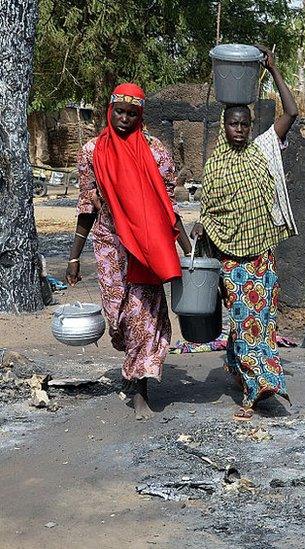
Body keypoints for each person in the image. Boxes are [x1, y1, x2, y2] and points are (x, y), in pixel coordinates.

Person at [68, 83, 192, 420]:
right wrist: (74, 257)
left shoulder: (155, 152)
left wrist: (187, 248)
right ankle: (132, 360)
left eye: (132, 113)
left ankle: (140, 391)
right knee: (118, 317)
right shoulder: (92, 152)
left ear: (140, 115)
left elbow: (168, 205)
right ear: (110, 111)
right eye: (120, 112)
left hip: (147, 247)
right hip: (109, 244)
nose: (124, 118)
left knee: (142, 317)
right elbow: (85, 207)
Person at [192, 45, 299, 421]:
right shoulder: (215, 164)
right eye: (233, 124)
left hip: (261, 255)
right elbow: (210, 209)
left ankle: (250, 381)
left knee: (260, 323)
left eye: (244, 125)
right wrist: (202, 224)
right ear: (224, 126)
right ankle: (256, 387)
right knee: (243, 321)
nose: (239, 130)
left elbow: (292, 112)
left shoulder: (264, 150)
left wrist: (274, 70)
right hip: (229, 260)